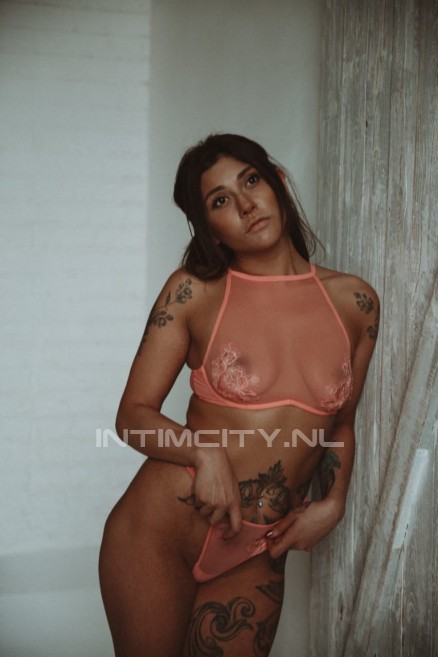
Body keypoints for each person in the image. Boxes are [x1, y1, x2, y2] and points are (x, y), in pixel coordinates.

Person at [99, 133, 379, 657]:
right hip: (163, 530)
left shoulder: (356, 302)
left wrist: (334, 503)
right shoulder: (194, 292)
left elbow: (340, 423)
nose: (246, 204)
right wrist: (203, 454)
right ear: (210, 228)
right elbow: (131, 417)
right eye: (221, 200)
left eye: (251, 180)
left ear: (277, 181)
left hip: (260, 548)